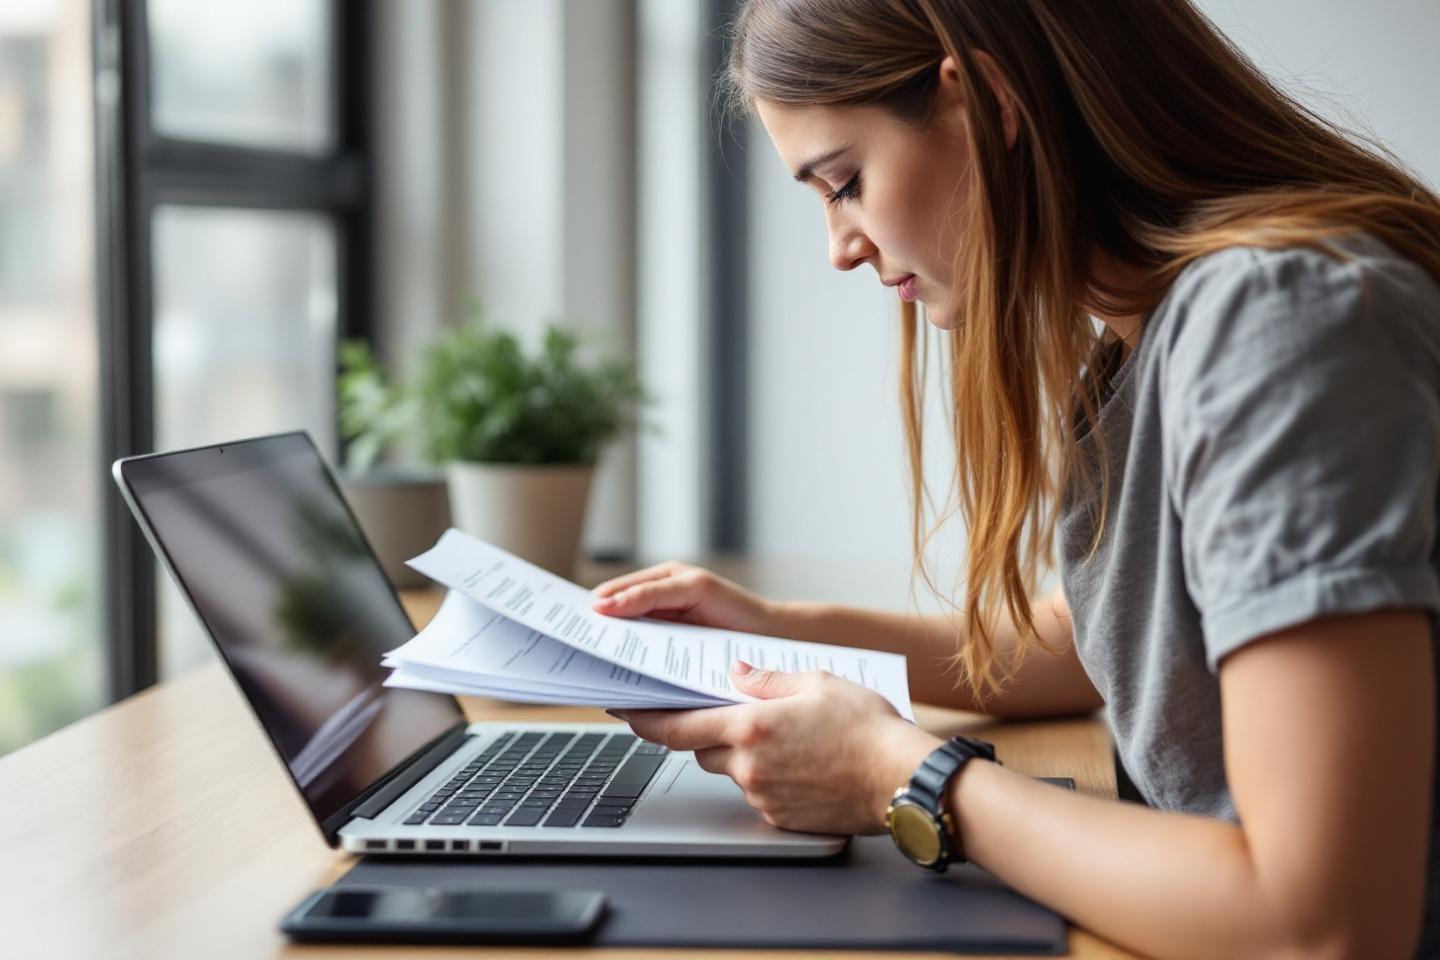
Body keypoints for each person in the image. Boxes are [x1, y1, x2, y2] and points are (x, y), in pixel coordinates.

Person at [594, 1, 1440, 956]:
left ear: (986, 101)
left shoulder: (1281, 326)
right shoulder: (1147, 339)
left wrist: (907, 778)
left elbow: (1322, 924)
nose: (840, 246)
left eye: (845, 182)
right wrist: (774, 634)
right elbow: (1098, 640)